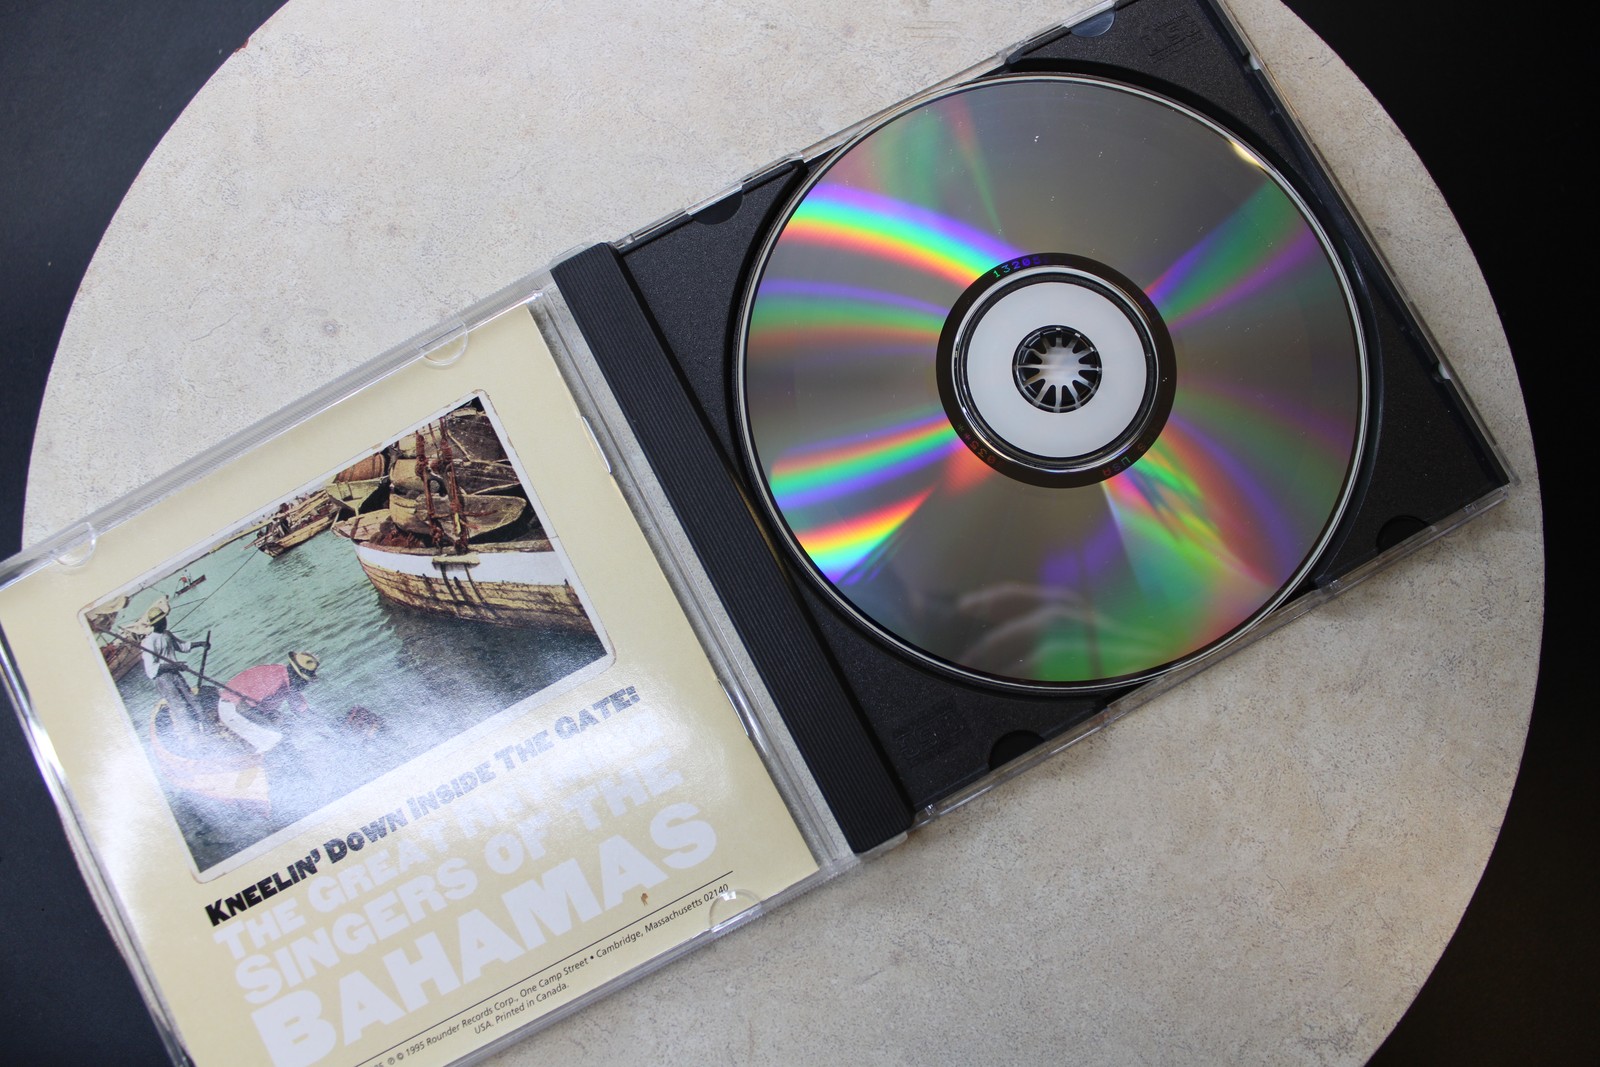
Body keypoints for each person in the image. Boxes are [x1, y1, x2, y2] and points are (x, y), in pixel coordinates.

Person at [215, 651, 320, 754]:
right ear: (296, 676)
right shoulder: (272, 680)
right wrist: (271, 727)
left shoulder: (290, 683)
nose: (305, 685)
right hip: (231, 708)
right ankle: (259, 756)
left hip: (254, 710)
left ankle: (291, 755)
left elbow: (302, 711)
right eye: (304, 681)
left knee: (286, 725)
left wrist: (322, 728)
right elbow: (242, 708)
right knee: (274, 737)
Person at [140, 604, 210, 738]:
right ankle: (193, 737)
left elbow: (182, 646)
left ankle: (207, 728)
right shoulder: (149, 642)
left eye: (164, 619)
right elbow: (151, 669)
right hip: (163, 679)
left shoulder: (167, 634)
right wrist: (173, 666)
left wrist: (201, 644)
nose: (165, 622)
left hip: (175, 673)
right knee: (181, 707)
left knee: (193, 700)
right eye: (162, 621)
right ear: (156, 624)